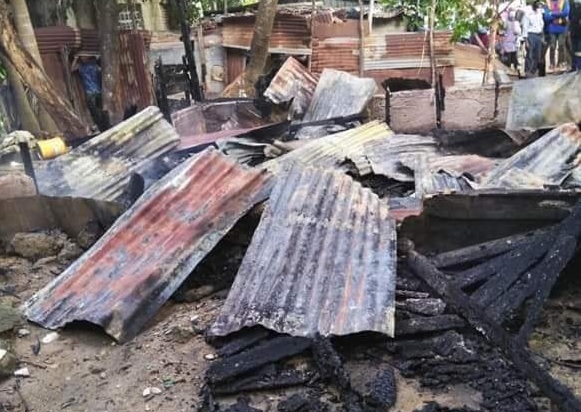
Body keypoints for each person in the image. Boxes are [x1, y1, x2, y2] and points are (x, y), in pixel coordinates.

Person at [72, 54, 102, 128]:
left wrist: (75, 59)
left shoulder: (82, 67)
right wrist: (98, 59)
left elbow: (72, 69)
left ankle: (97, 124)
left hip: (90, 92)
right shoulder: (94, 66)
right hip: (97, 91)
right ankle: (100, 124)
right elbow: (101, 70)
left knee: (94, 110)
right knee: (98, 109)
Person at [544, 0, 571, 71]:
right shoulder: (548, 2)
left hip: (562, 27)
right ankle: (552, 64)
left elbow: (566, 13)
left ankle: (560, 63)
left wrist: (552, 14)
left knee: (561, 46)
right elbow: (546, 16)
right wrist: (559, 14)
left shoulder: (565, 1)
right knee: (552, 46)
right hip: (552, 28)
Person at [523, 1, 546, 76]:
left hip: (538, 35)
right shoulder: (528, 13)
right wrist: (526, 40)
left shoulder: (539, 13)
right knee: (530, 54)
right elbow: (525, 27)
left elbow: (541, 25)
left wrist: (542, 37)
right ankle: (528, 71)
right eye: (538, 4)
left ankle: (534, 70)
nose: (539, 5)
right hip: (531, 35)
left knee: (537, 55)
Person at [501, 9, 523, 73]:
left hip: (511, 42)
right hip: (511, 42)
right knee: (512, 56)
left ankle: (511, 69)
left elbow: (504, 29)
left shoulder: (508, 22)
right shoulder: (514, 23)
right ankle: (512, 68)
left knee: (511, 56)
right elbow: (518, 32)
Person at [571, 0, 581, 69]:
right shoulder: (572, 7)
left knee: (579, 50)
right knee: (574, 50)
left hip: (579, 33)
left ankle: (579, 66)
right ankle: (574, 66)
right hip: (574, 32)